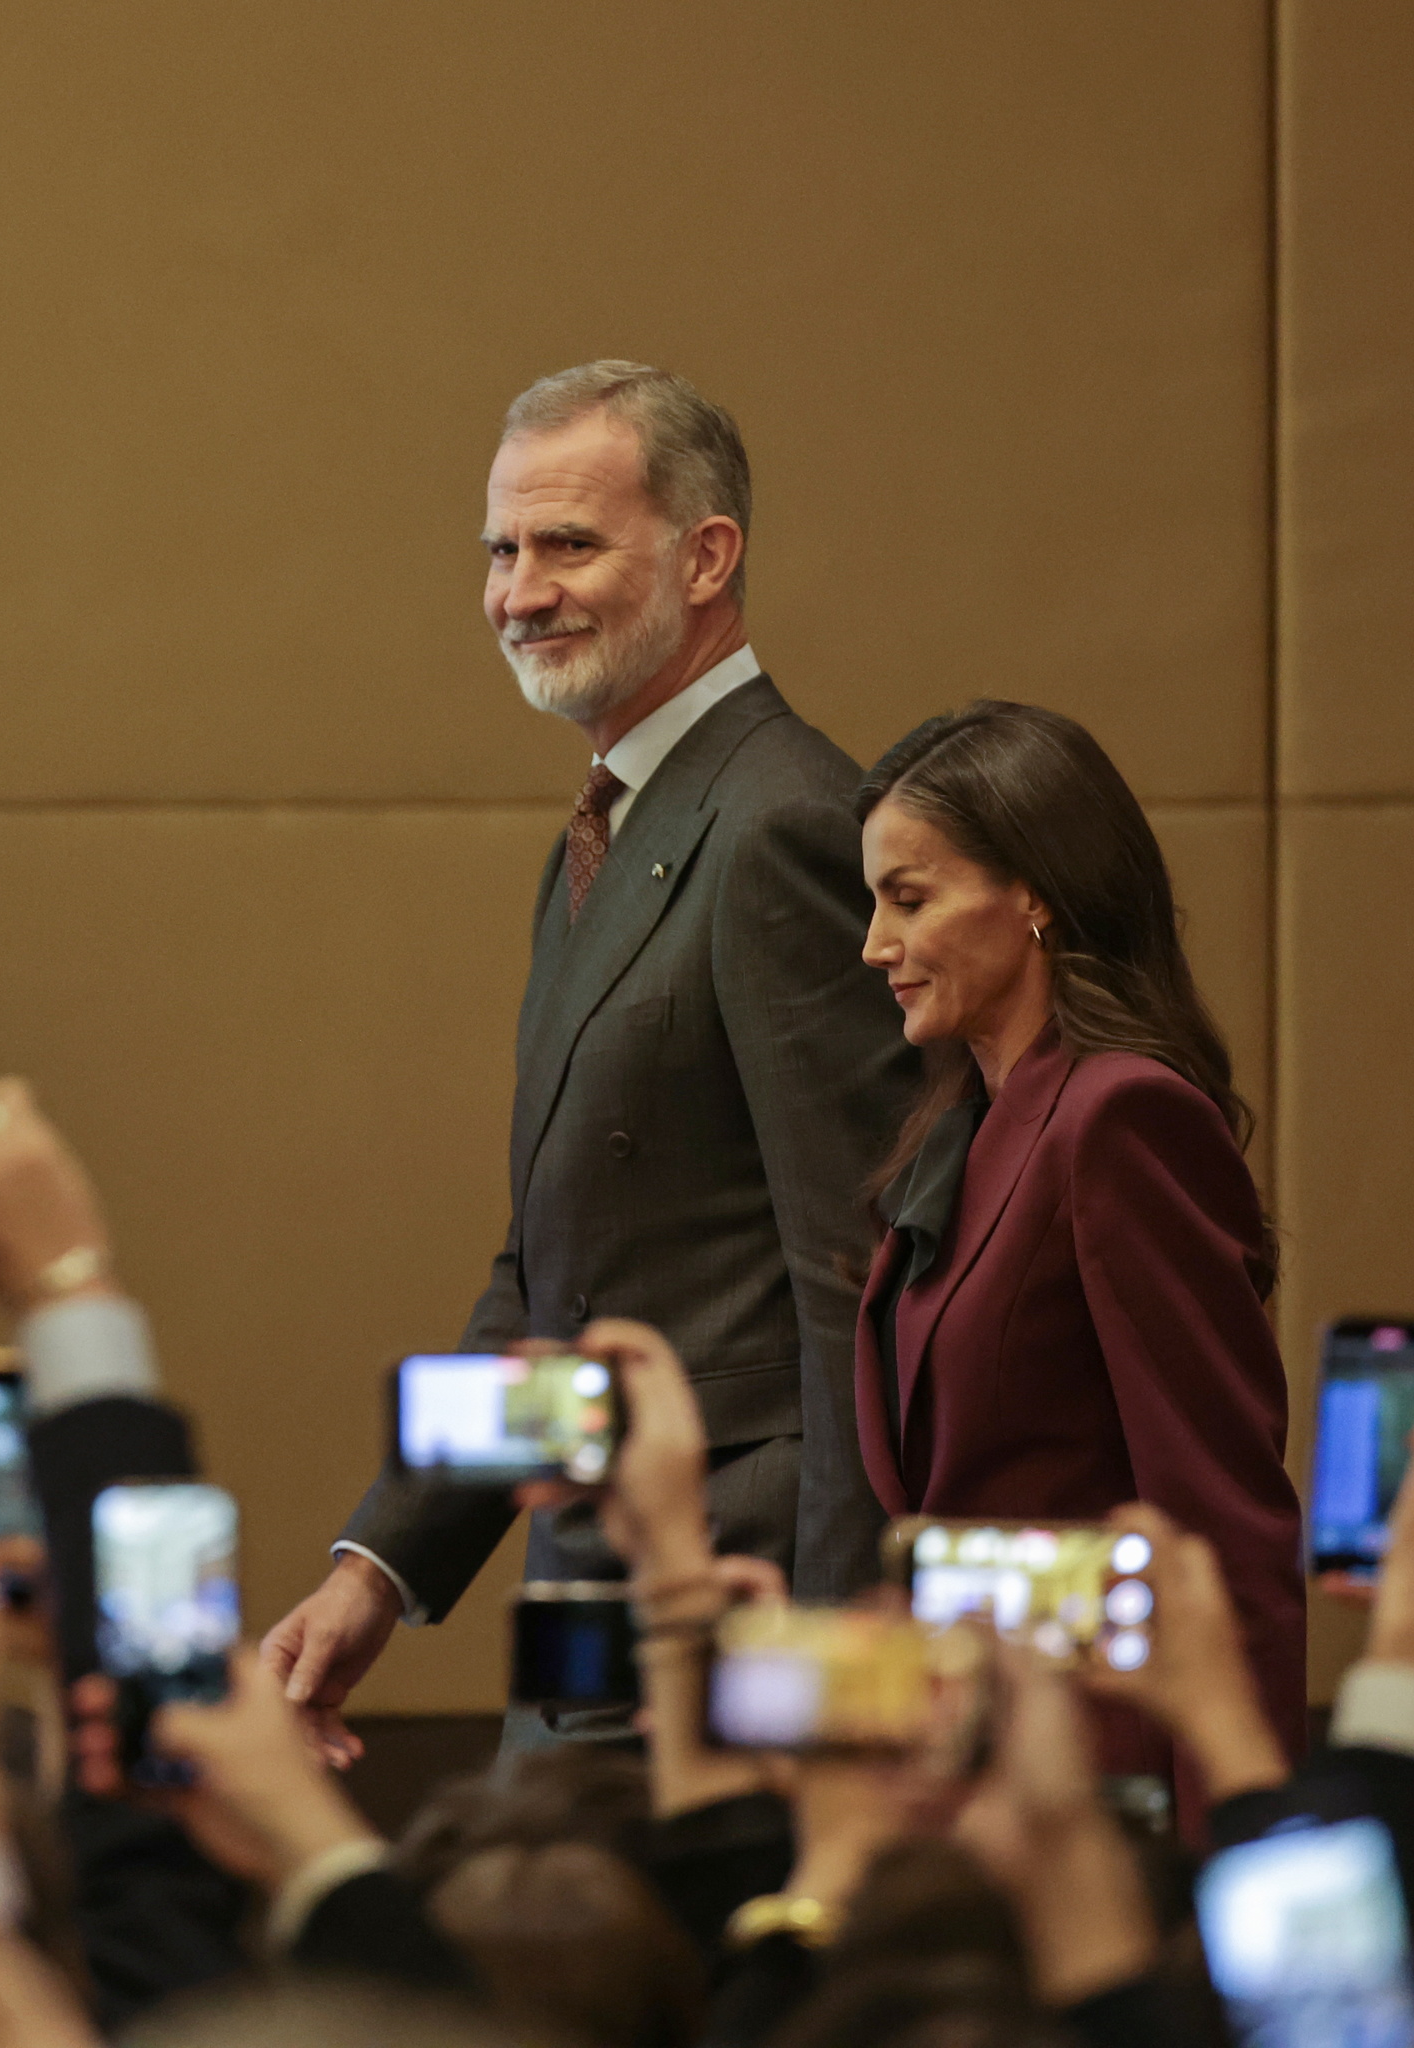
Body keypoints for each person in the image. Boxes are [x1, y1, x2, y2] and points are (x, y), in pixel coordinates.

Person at [269, 360, 921, 1758]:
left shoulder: (782, 824)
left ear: (706, 557)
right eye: (500, 550)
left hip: (734, 1625)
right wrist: (379, 1565)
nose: (519, 592)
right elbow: (554, 1273)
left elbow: (858, 1283)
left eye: (567, 543)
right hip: (597, 1600)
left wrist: (833, 1677)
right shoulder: (607, 832)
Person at [847, 702, 1306, 1785]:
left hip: (1107, 1788)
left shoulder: (1122, 1119)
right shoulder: (963, 1125)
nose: (874, 945)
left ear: (1035, 892)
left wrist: (1240, 1832)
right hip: (974, 1774)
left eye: (909, 899)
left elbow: (1219, 1532)